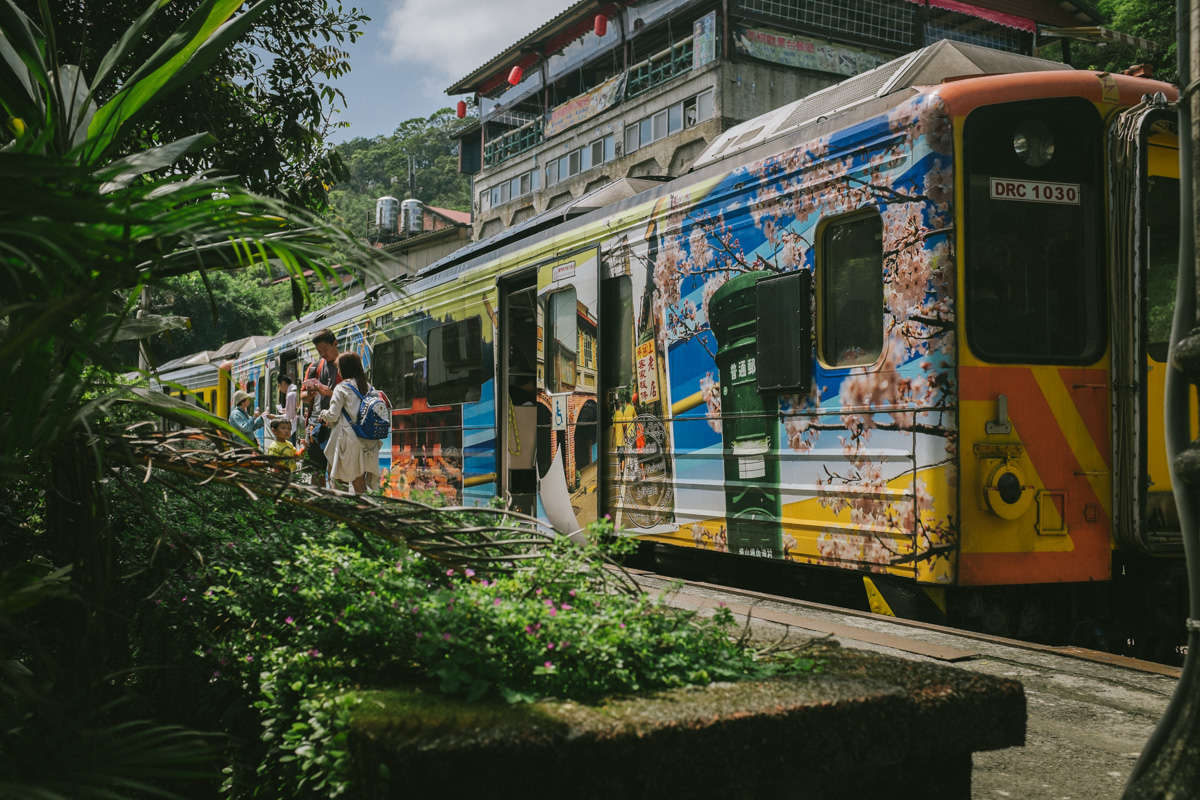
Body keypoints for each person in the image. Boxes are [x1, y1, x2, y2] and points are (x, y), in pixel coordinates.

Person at [319, 351, 383, 494]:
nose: (339, 371)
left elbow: (333, 415)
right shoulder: (369, 388)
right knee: (358, 483)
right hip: (368, 440)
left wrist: (323, 414)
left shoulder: (342, 388)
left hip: (348, 441)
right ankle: (362, 513)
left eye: (339, 368)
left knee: (341, 482)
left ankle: (344, 513)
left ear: (345, 369)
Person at [301, 328, 341, 488]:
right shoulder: (314, 367)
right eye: (319, 351)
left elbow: (353, 394)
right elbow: (303, 397)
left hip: (337, 426)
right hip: (315, 427)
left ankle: (338, 503)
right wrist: (309, 394)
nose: (323, 353)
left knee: (338, 471)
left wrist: (329, 392)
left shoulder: (345, 365)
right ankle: (319, 504)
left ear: (335, 343)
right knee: (315, 471)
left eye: (325, 349)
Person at [274, 375, 298, 444]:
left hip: (295, 428)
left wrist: (275, 417)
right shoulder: (296, 390)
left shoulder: (290, 395)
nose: (280, 389)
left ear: (283, 383)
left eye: (279, 386)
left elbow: (289, 416)